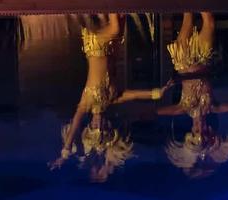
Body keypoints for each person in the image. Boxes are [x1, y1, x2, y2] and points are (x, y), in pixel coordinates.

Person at [48, 14, 172, 182]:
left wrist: (64, 153)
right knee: (119, 20)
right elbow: (134, 94)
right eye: (103, 128)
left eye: (94, 127)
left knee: (115, 28)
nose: (99, 124)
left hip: (96, 47)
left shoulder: (86, 103)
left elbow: (74, 127)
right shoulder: (112, 99)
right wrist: (159, 92)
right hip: (109, 49)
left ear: (90, 124)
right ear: (108, 125)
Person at [159, 12, 228, 179]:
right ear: (211, 131)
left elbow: (157, 112)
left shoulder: (182, 109)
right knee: (209, 21)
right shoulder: (213, 107)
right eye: (204, 132)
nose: (201, 128)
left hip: (183, 59)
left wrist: (131, 114)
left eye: (196, 131)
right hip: (203, 59)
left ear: (190, 132)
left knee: (188, 16)